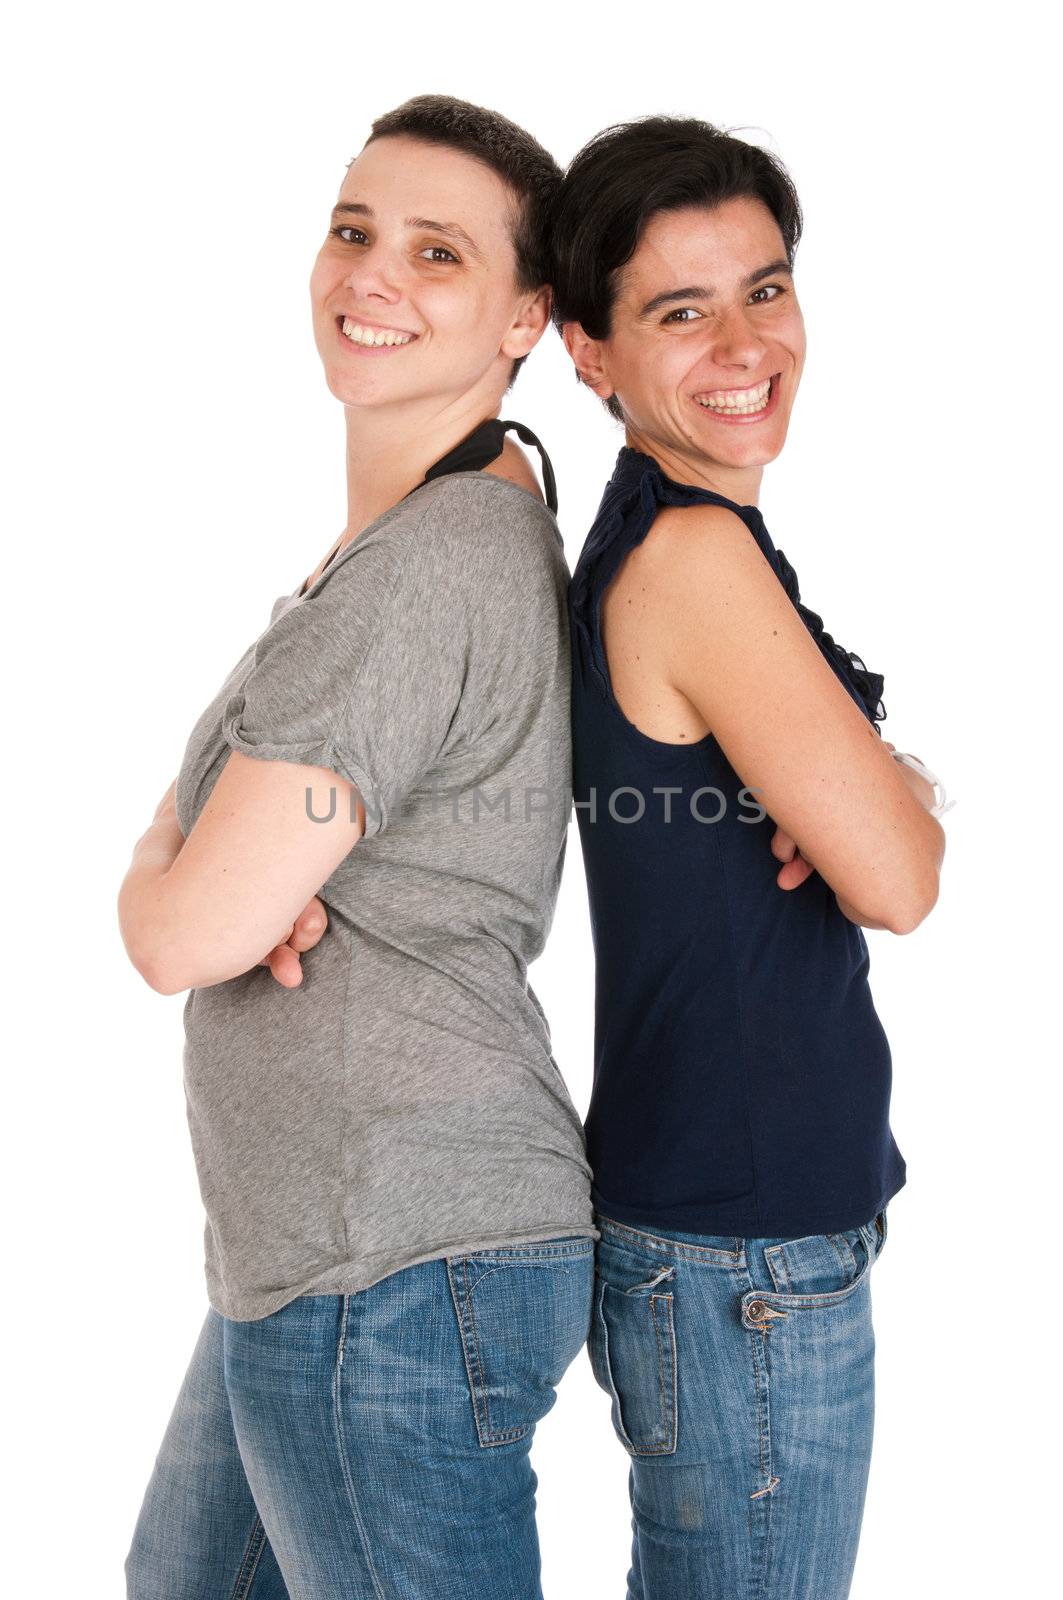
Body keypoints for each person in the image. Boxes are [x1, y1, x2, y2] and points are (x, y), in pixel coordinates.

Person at [118, 94, 596, 1600]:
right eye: (353, 229)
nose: (371, 275)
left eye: (437, 253)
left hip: (389, 1258)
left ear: (526, 316)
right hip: (327, 1257)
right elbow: (222, 891)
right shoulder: (438, 533)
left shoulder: (431, 568)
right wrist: (209, 860)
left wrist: (163, 861)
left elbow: (181, 934)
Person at [550, 116, 948, 1598]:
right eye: (679, 310)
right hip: (747, 1260)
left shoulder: (693, 534)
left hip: (730, 1245)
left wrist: (864, 780)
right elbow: (901, 879)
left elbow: (880, 830)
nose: (744, 342)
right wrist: (872, 799)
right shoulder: (696, 562)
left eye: (765, 289)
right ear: (589, 351)